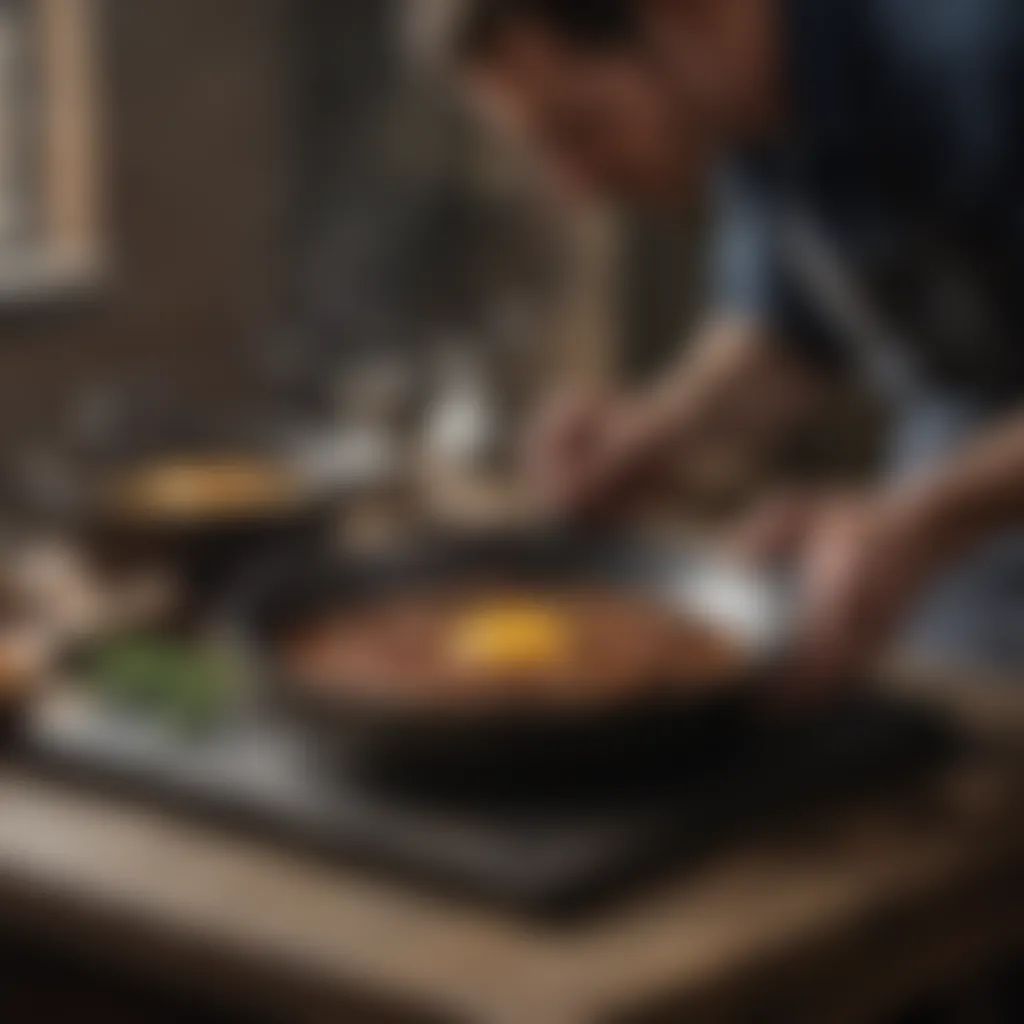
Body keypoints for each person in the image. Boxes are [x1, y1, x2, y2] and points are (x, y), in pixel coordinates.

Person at [435, 0, 1024, 697]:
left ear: (690, 14)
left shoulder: (978, 53)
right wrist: (655, 430)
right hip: (957, 535)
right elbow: (788, 331)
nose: (578, 187)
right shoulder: (738, 105)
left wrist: (922, 521)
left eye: (582, 128)